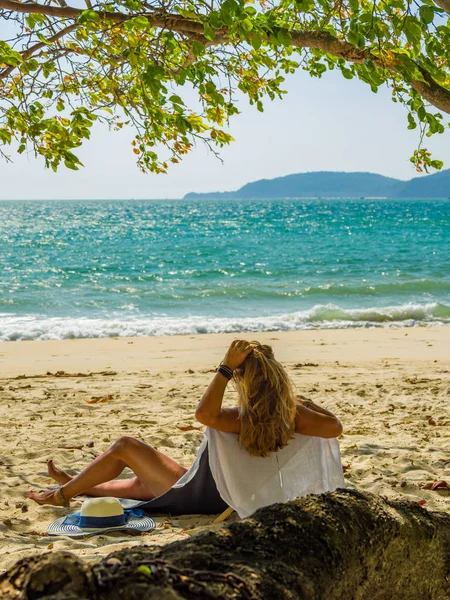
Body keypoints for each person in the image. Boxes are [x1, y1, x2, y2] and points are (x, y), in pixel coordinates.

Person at [27, 340, 343, 514]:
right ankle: (77, 483)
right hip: (229, 492)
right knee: (141, 483)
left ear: (240, 379)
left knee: (126, 447)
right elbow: (335, 427)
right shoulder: (294, 416)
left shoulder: (239, 418)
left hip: (204, 496)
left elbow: (203, 414)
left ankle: (62, 494)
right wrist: (297, 399)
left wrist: (224, 368)